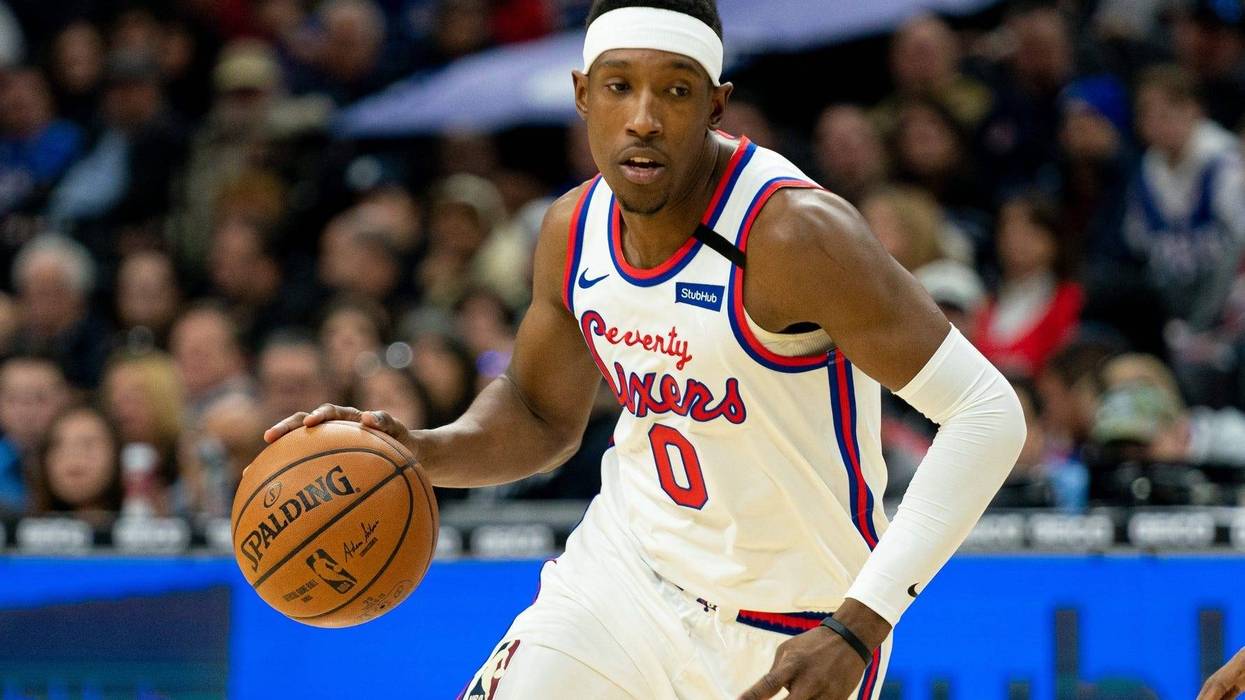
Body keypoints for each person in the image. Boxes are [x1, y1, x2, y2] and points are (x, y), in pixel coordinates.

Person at [265, 2, 1026, 698]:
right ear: (580, 94)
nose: (643, 119)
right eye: (619, 87)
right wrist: (422, 452)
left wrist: (861, 624)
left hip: (799, 622)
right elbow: (537, 412)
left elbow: (987, 414)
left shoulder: (794, 236)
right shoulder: (572, 230)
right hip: (620, 583)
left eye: (675, 91)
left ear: (716, 104)